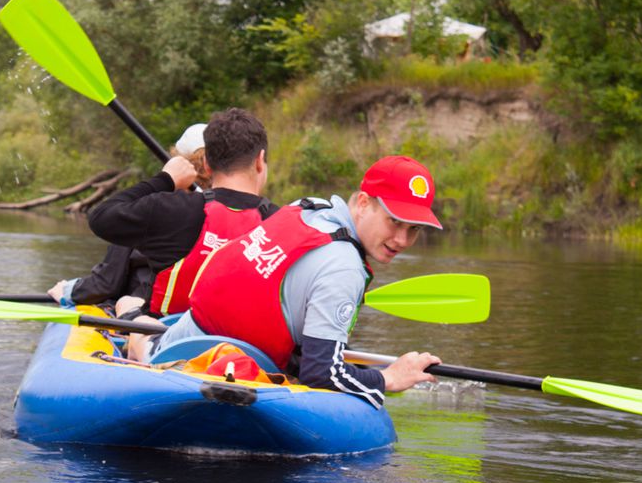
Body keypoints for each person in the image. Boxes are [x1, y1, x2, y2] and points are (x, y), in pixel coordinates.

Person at [133, 155, 444, 407]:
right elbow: (321, 373)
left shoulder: (306, 207)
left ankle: (134, 327)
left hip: (176, 347)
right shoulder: (345, 268)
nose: (402, 239)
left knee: (137, 321)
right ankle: (133, 326)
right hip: (212, 371)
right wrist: (387, 378)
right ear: (363, 203)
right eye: (395, 221)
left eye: (413, 229)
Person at [51, 108, 278, 321]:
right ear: (260, 161)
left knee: (127, 303)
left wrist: (164, 181)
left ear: (207, 165)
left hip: (165, 332)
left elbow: (102, 227)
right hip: (240, 340)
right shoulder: (280, 223)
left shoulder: (162, 209)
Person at [48, 122, 210, 310]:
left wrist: (67, 291)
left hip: (145, 311)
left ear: (176, 164)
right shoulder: (233, 212)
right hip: (202, 317)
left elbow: (106, 283)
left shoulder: (153, 208)